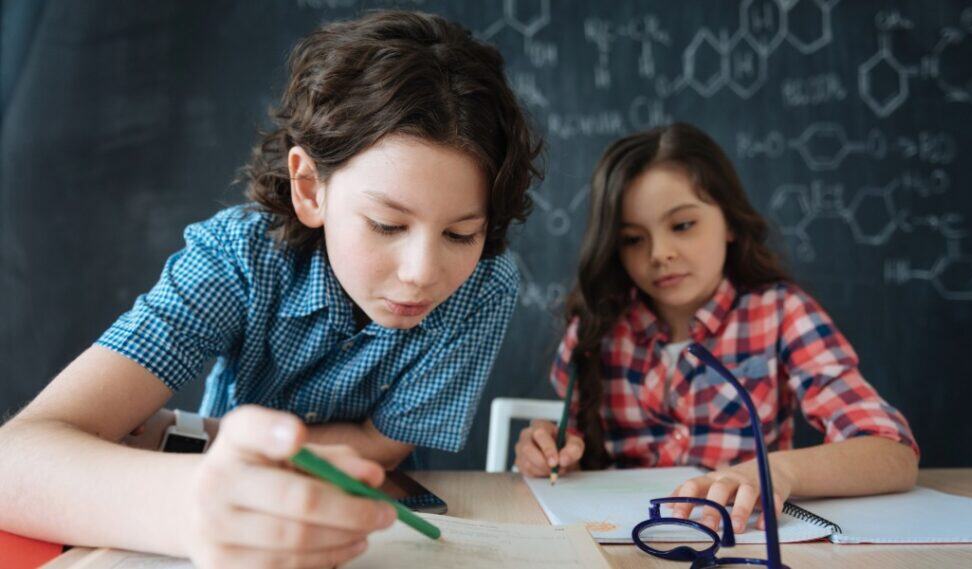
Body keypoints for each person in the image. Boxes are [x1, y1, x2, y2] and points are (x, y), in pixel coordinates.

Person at [0, 10, 541, 568]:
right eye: (386, 225)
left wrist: (206, 435)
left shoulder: (484, 287)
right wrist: (191, 502)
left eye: (461, 233)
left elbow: (382, 447)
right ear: (310, 188)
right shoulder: (238, 258)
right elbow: (13, 462)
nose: (422, 273)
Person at [514, 122, 917, 535]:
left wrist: (773, 471)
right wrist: (552, 451)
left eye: (683, 225)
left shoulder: (781, 313)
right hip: (625, 544)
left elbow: (894, 453)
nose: (660, 254)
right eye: (633, 239)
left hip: (742, 542)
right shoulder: (595, 331)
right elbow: (574, 455)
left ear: (730, 223)